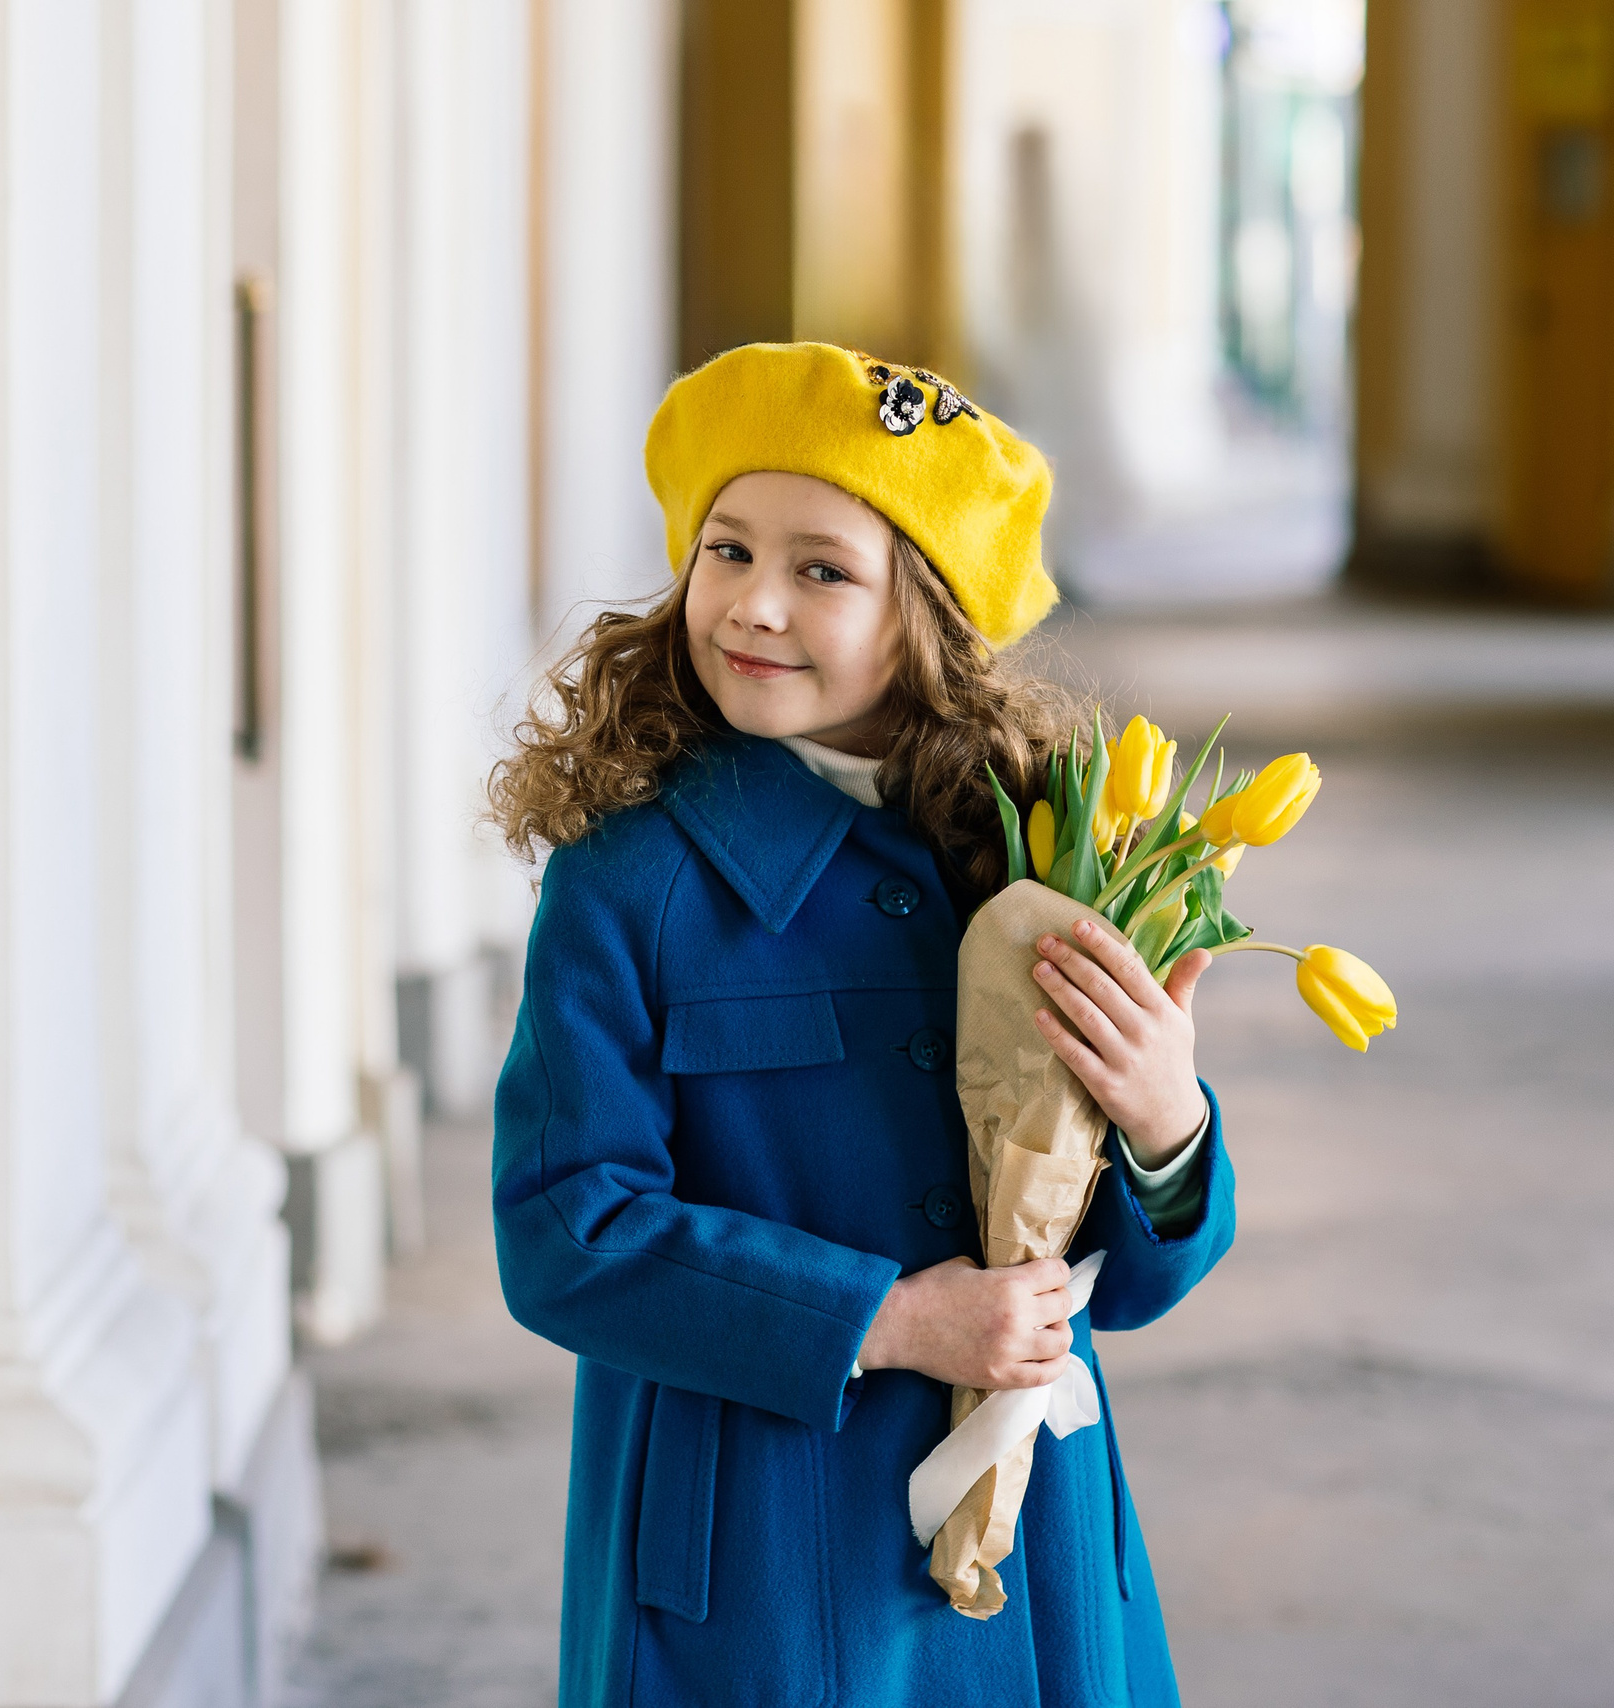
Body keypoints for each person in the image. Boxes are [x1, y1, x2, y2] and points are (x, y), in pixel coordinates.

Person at [487, 342, 1233, 1707]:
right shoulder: (632, 884)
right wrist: (888, 1320)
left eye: (823, 569)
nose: (754, 604)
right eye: (727, 549)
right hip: (757, 1571)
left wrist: (1166, 1124)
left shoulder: (1042, 859)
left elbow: (1119, 1285)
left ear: (927, 612)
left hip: (1036, 1574)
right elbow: (562, 1236)